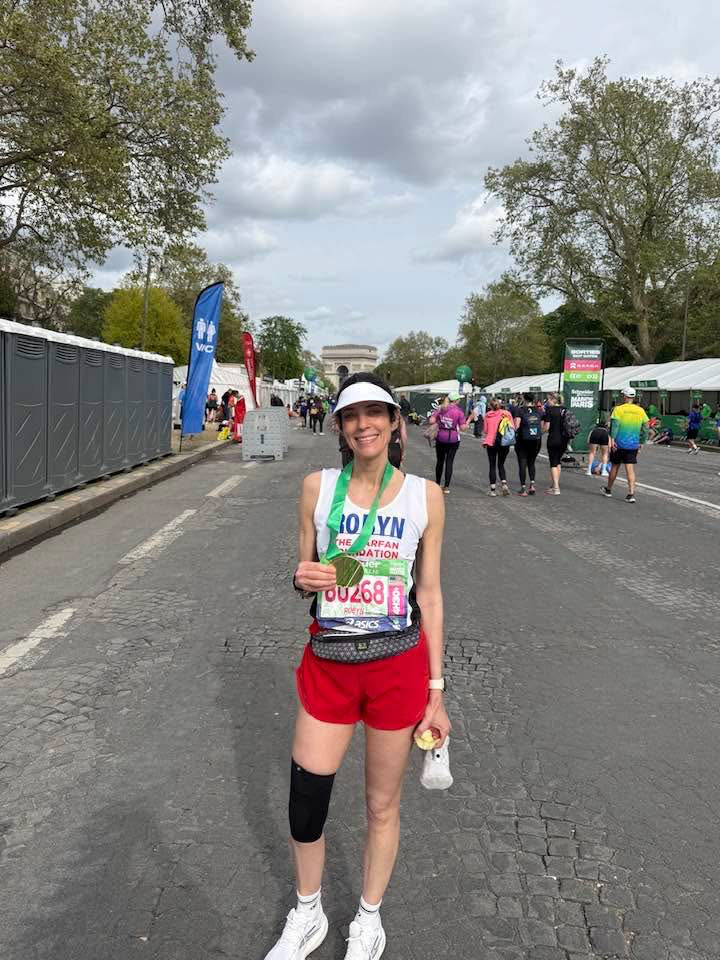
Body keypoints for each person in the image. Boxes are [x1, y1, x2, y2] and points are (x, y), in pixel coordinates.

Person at [264, 371, 449, 960]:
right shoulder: (317, 488)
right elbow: (304, 571)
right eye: (351, 415)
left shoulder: (426, 496)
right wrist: (301, 578)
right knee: (306, 797)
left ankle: (368, 917)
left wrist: (437, 690)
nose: (363, 424)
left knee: (380, 804)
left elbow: (432, 594)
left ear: (395, 422)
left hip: (398, 666)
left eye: (375, 412)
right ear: (340, 428)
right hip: (330, 664)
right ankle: (308, 911)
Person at [601, 386, 649, 503]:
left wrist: (612, 439)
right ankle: (631, 493)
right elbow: (646, 428)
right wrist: (642, 442)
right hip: (633, 444)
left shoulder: (618, 409)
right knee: (630, 469)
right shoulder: (640, 410)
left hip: (619, 443)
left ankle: (609, 489)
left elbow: (615, 426)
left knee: (615, 466)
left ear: (625, 396)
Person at [428, 391, 467, 494]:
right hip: (453, 439)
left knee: (440, 461)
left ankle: (437, 483)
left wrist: (439, 421)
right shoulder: (459, 411)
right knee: (449, 462)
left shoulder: (441, 408)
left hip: (441, 437)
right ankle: (446, 487)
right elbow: (463, 428)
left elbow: (431, 421)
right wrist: (469, 420)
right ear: (457, 400)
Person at [512, 393, 543, 495]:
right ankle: (532, 485)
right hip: (536, 440)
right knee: (531, 462)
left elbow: (516, 426)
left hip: (522, 440)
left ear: (524, 399)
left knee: (522, 462)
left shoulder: (519, 410)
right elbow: (544, 427)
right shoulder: (539, 411)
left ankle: (523, 488)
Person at [482, 398, 514, 496]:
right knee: (501, 464)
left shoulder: (487, 415)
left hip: (491, 442)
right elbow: (512, 426)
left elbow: (486, 430)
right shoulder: (507, 413)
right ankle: (504, 483)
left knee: (492, 465)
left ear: (490, 406)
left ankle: (492, 490)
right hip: (504, 442)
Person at [542, 392, 567, 495]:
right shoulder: (565, 410)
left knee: (553, 463)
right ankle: (554, 484)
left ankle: (556, 488)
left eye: (548, 399)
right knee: (558, 462)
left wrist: (541, 431)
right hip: (564, 439)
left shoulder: (550, 411)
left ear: (553, 400)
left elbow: (546, 427)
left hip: (553, 439)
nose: (547, 401)